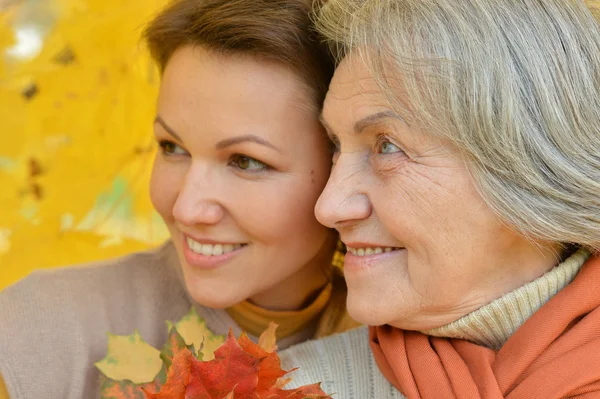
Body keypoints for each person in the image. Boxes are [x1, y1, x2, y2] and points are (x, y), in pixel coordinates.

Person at [0, 0, 359, 397]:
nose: (186, 208)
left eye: (245, 161)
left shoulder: (408, 353)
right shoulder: (37, 331)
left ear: (345, 165)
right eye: (172, 147)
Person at [278, 0, 600, 397]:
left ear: (531, 164)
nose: (328, 207)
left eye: (387, 146)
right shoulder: (286, 386)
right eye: (335, 146)